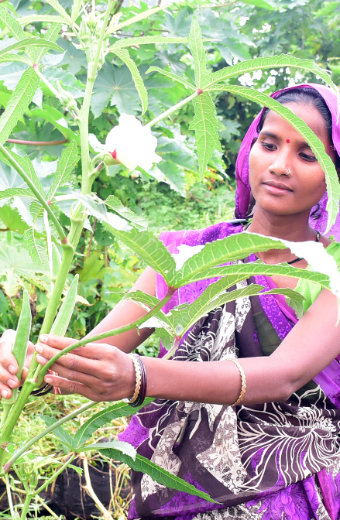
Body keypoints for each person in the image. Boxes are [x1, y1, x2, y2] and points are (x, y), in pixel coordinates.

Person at [0, 83, 339, 519]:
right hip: (170, 490)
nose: (279, 165)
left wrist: (139, 377)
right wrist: (31, 363)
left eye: (306, 155)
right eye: (269, 144)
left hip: (285, 493)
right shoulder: (186, 255)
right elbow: (96, 349)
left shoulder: (329, 270)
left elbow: (283, 374)